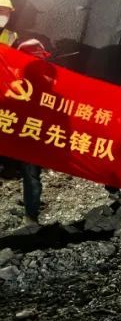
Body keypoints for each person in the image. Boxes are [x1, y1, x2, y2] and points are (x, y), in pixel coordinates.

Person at [13, 39, 50, 223]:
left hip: (30, 135)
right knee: (31, 175)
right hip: (9, 132)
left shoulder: (49, 83)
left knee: (31, 175)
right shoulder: (9, 78)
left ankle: (31, 215)